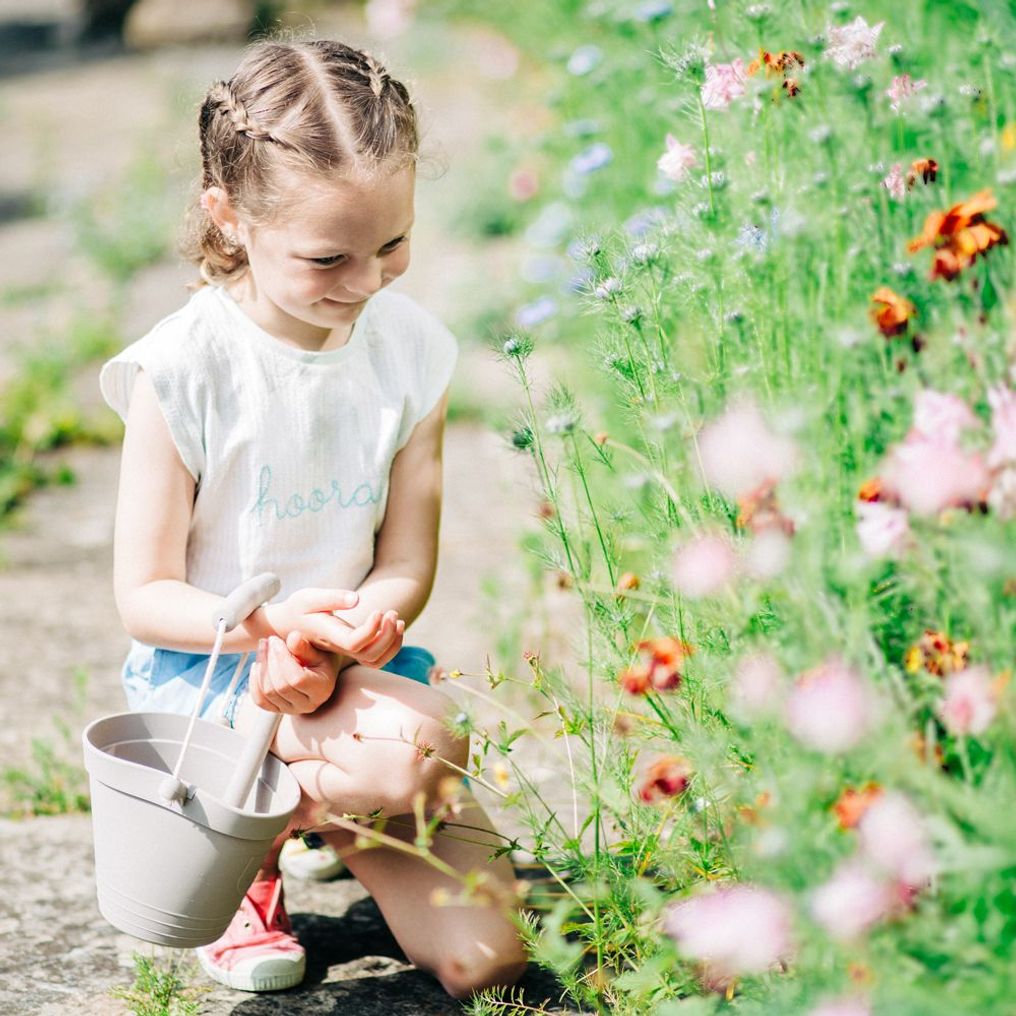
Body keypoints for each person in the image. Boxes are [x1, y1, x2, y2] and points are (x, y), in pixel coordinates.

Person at [99, 37, 527, 997]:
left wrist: (368, 621)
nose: (369, 281)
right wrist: (271, 628)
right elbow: (147, 595)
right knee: (416, 748)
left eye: (393, 244)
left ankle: (309, 813)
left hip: (348, 678)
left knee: (486, 964)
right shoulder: (186, 371)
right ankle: (243, 847)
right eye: (329, 256)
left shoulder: (410, 352)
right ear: (230, 216)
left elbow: (406, 559)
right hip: (212, 686)